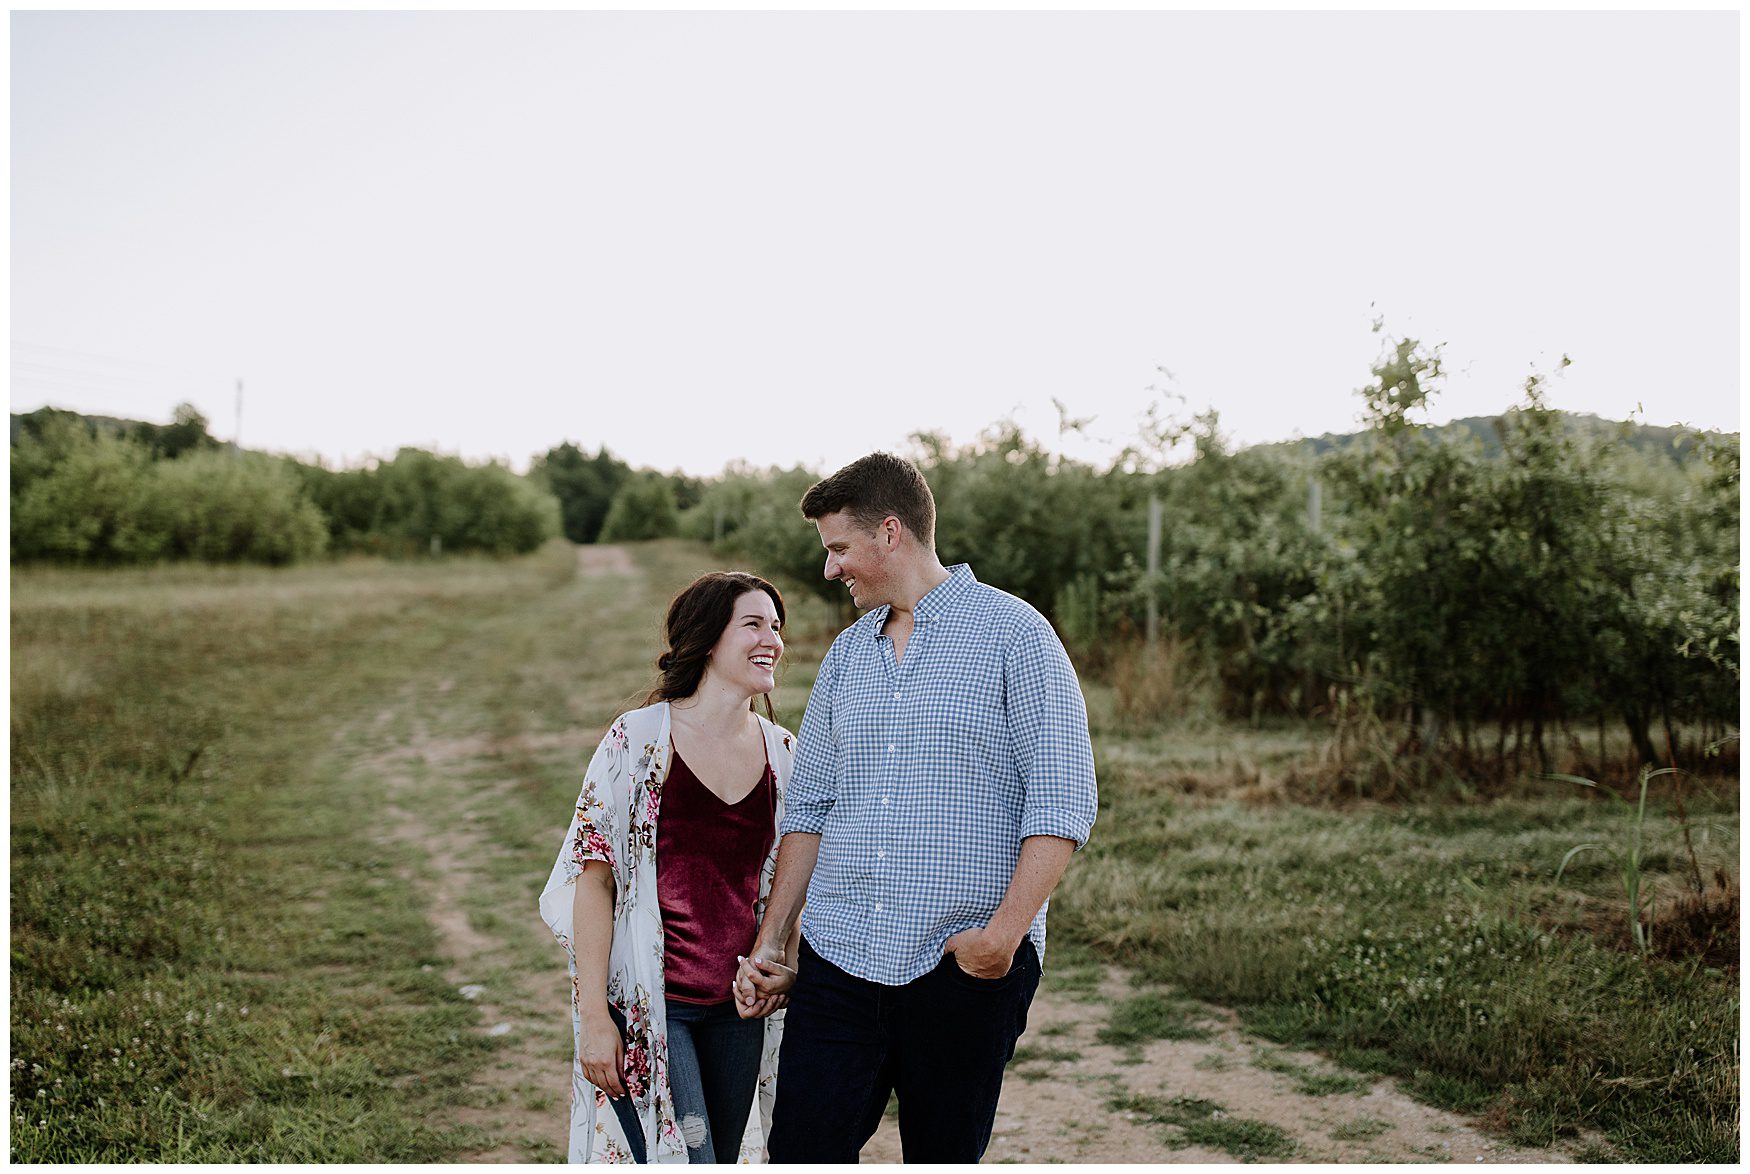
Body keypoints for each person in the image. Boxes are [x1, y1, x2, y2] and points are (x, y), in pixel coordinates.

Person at [733, 452, 1098, 1162]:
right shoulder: (846, 657)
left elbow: (1062, 802)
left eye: (839, 548)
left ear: (889, 533)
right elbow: (810, 808)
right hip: (841, 960)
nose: (831, 568)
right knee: (801, 1153)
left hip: (961, 967)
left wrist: (1001, 940)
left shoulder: (1016, 636)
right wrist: (773, 941)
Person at [539, 571, 800, 1164]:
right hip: (654, 1008)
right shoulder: (635, 743)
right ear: (710, 639)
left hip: (740, 1011)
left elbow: (793, 883)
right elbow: (593, 880)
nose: (773, 640)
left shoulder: (783, 753)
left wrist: (784, 964)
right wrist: (593, 1019)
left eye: (777, 627)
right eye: (753, 624)